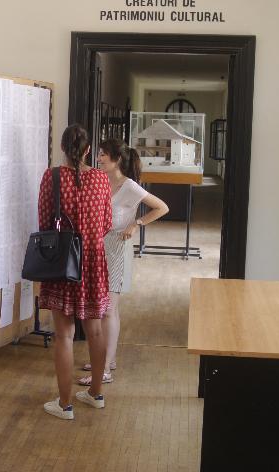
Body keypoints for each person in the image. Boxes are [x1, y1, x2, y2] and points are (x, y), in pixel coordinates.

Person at [79, 138, 168, 385]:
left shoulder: (129, 186)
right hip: (97, 247)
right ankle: (107, 359)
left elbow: (162, 207)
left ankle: (104, 368)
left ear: (117, 159)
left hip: (117, 247)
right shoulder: (99, 179)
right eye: (98, 154)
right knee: (105, 307)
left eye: (103, 155)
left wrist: (136, 223)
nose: (98, 158)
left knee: (108, 308)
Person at [39, 123, 112, 420]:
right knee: (96, 330)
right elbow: (107, 223)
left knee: (64, 335)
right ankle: (96, 394)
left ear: (62, 148)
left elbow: (44, 221)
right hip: (93, 260)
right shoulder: (101, 178)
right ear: (88, 150)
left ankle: (65, 404)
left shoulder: (52, 177)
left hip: (63, 261)